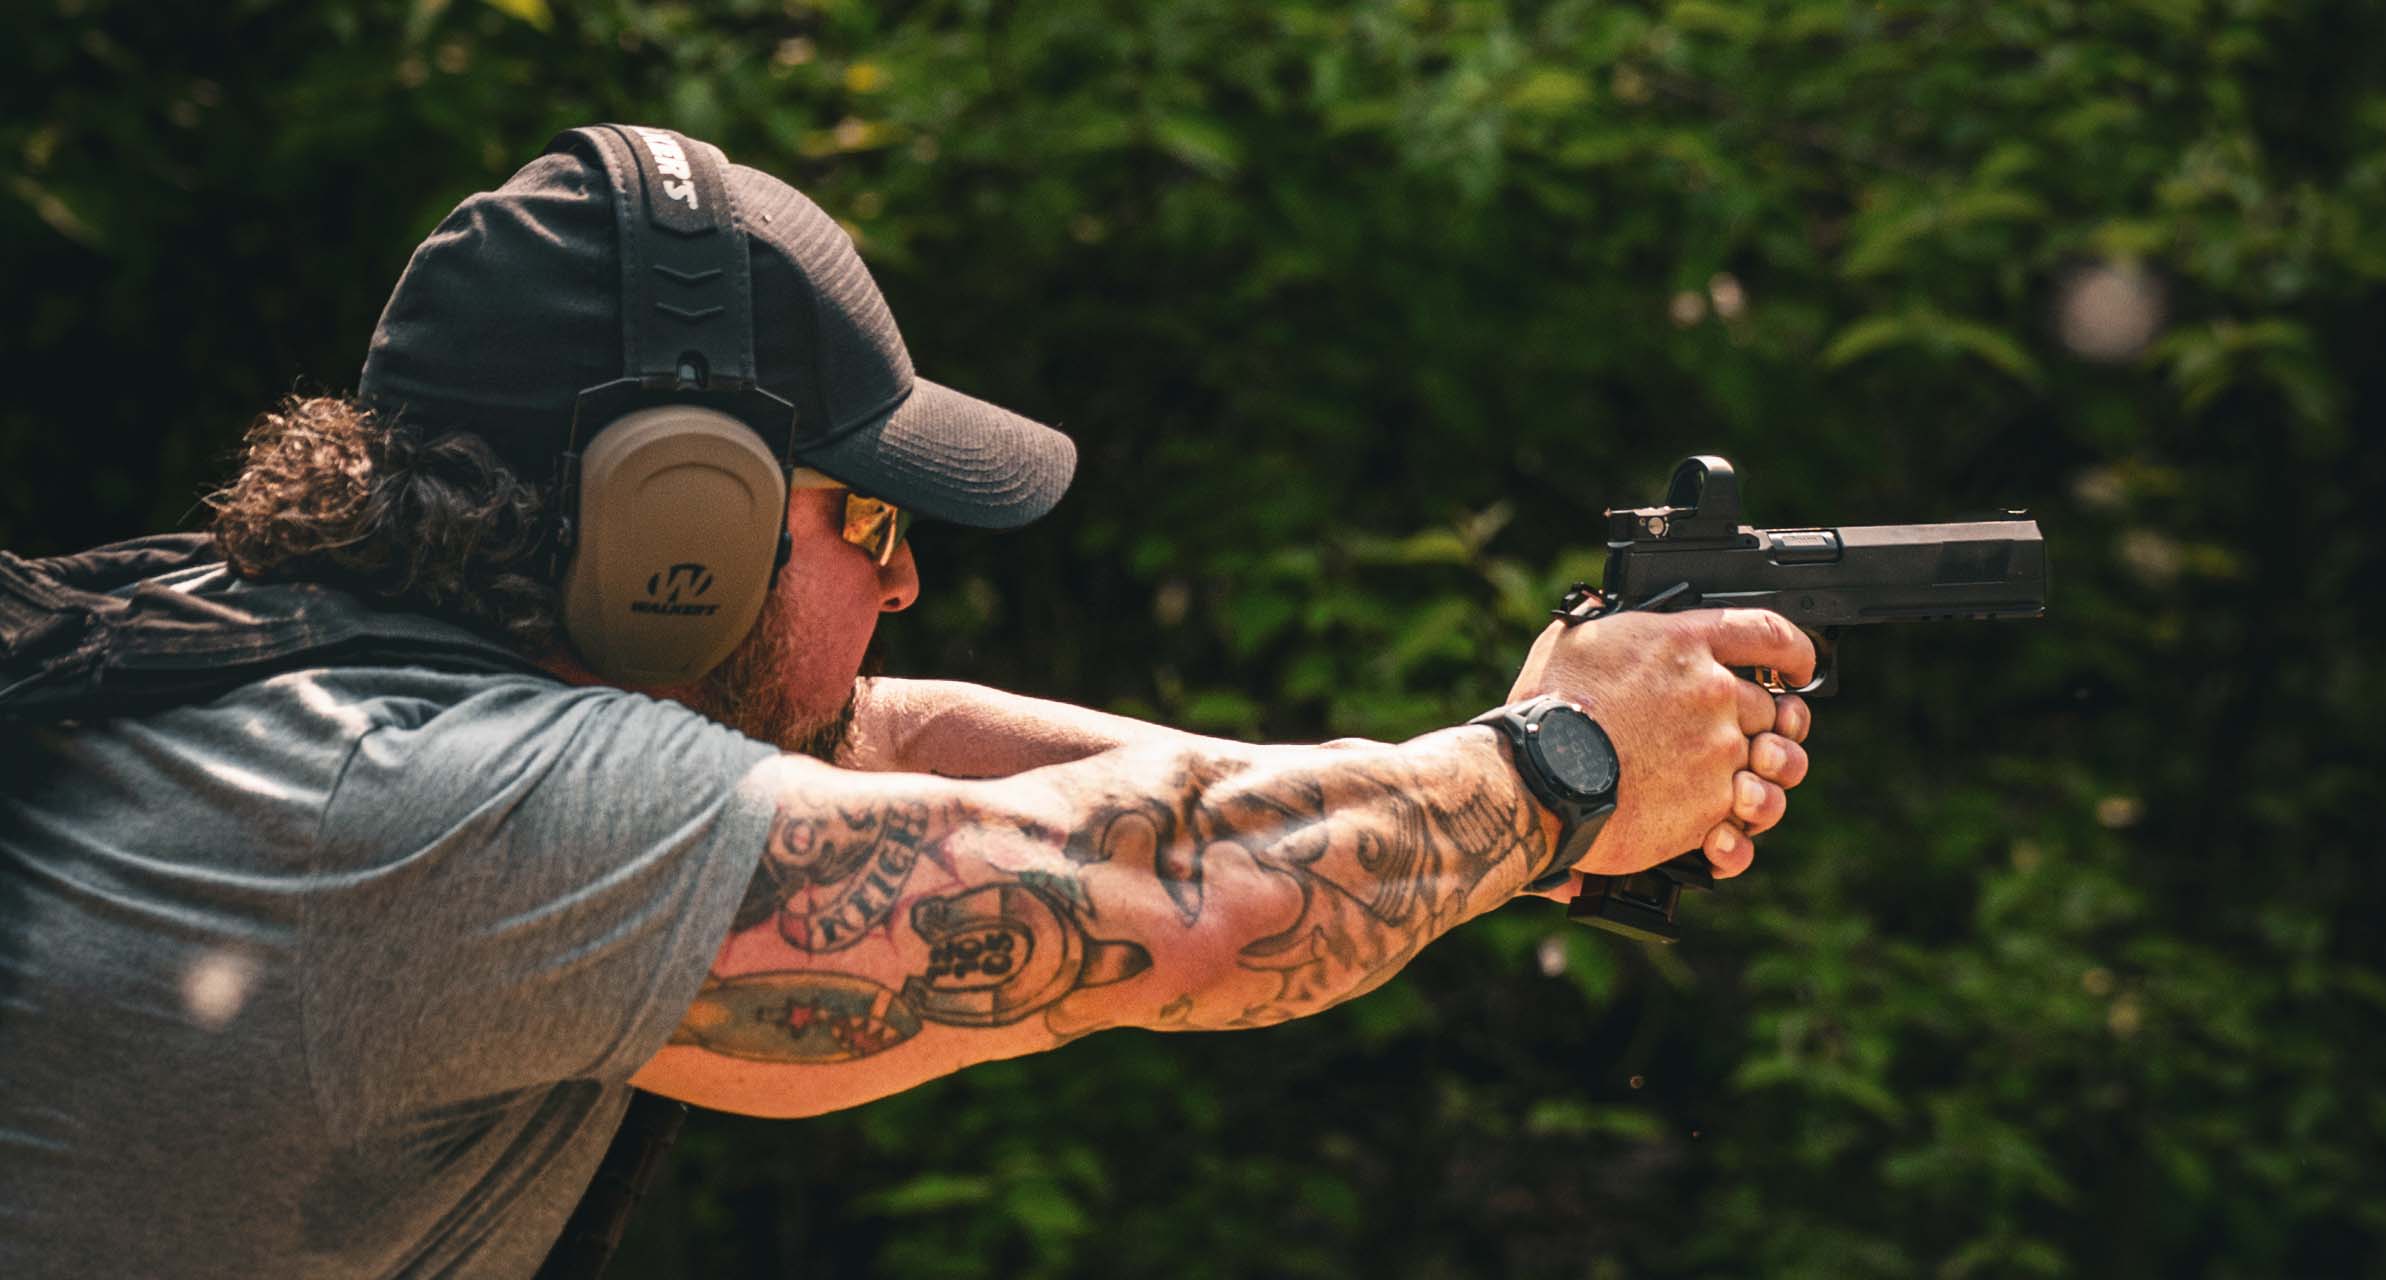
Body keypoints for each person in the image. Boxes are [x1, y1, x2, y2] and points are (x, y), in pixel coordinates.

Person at [0, 125, 1814, 1277]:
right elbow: (1179, 910)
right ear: (673, 532)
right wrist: (1558, 771)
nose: (904, 574)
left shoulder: (279, 661)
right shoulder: (440, 813)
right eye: (861, 516)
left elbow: (891, 738)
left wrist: (1459, 804)